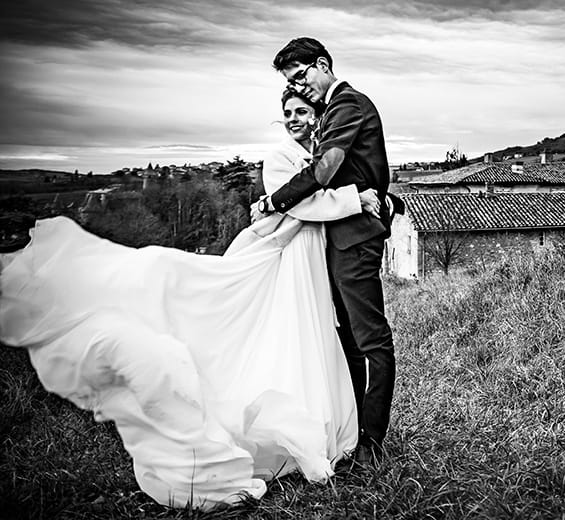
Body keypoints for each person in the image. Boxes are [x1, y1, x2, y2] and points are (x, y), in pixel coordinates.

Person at [0, 90, 375, 509]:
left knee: (312, 329)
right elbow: (303, 205)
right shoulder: (278, 158)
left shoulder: (322, 152)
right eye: (286, 113)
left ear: (316, 115)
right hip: (291, 250)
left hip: (310, 251)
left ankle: (327, 419)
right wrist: (351, 199)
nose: (293, 119)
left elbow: (312, 192)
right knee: (288, 324)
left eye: (301, 111)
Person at [255, 38, 395, 464]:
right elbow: (355, 175)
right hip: (337, 237)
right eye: (291, 83)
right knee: (347, 338)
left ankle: (371, 444)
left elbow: (325, 169)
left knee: (371, 340)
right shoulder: (334, 110)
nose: (301, 86)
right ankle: (351, 432)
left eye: (301, 76)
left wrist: (272, 201)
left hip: (355, 240)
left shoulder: (348, 105)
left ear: (322, 64)